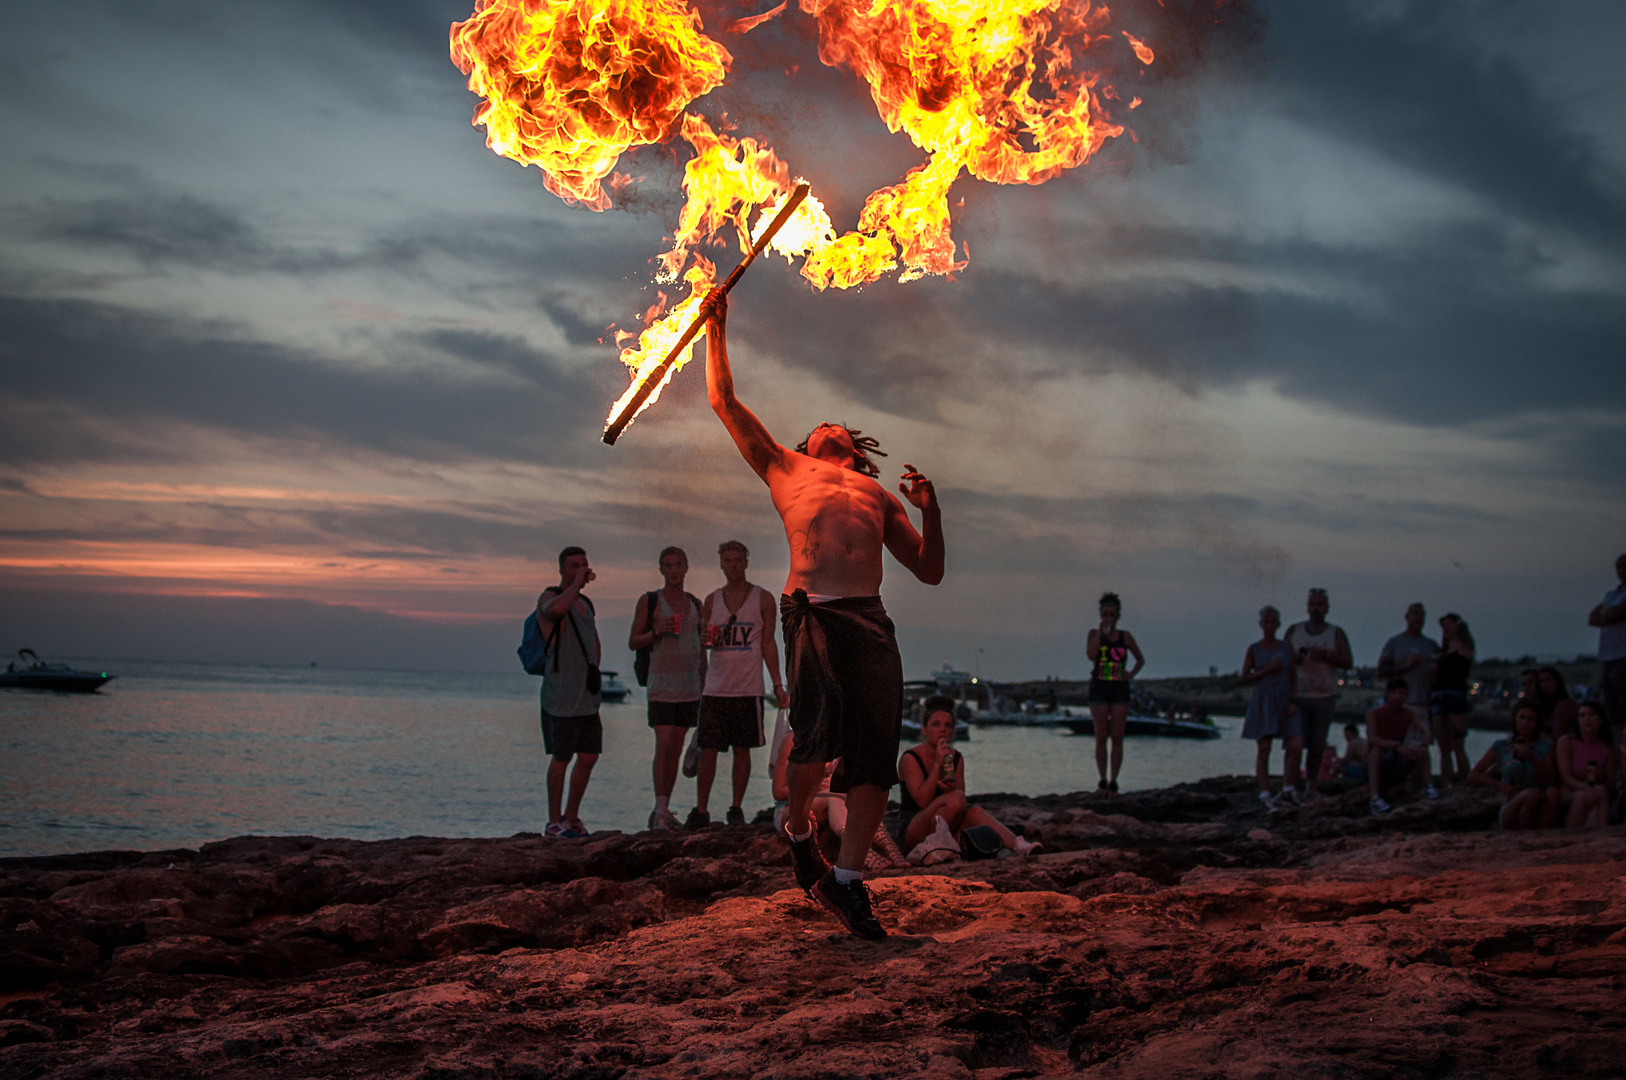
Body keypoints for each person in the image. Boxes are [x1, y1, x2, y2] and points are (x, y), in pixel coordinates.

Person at [704, 290, 944, 940]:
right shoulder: (786, 468)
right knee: (812, 741)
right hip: (810, 610)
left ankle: (846, 883)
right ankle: (799, 828)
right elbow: (725, 403)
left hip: (870, 620)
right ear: (807, 444)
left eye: (840, 425)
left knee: (874, 759)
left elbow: (928, 569)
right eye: (822, 424)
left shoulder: (874, 492)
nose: (832, 423)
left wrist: (930, 510)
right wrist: (716, 328)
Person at [696, 540, 788, 827]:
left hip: (748, 688)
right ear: (721, 564)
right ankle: (700, 810)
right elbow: (705, 643)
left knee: (742, 749)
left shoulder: (762, 599)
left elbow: (767, 643)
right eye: (728, 560)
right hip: (715, 687)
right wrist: (704, 641)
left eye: (738, 560)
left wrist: (777, 685)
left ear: (746, 562)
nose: (733, 565)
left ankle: (735, 807)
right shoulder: (712, 600)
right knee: (707, 749)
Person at [898, 697, 1039, 856]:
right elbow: (922, 801)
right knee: (955, 797)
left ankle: (1020, 846)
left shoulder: (955, 758)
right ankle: (933, 847)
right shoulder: (910, 758)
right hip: (914, 828)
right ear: (924, 729)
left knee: (975, 812)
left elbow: (959, 804)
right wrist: (938, 764)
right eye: (936, 725)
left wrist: (949, 790)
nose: (943, 730)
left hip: (944, 827)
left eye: (948, 725)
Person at [627, 546, 704, 830]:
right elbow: (634, 641)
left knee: (677, 747)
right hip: (661, 685)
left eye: (678, 565)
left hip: (689, 686)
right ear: (661, 570)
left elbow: (701, 647)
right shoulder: (650, 602)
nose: (673, 570)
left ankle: (665, 808)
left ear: (686, 568)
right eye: (668, 565)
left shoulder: (695, 603)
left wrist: (705, 682)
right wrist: (656, 631)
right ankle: (660, 808)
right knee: (665, 743)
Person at [535, 546, 603, 839]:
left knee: (589, 755)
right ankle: (554, 822)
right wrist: (575, 583)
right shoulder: (550, 597)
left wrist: (595, 670)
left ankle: (572, 816)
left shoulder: (586, 603)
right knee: (561, 756)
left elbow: (593, 641)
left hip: (586, 697)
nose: (581, 569)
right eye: (574, 565)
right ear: (562, 569)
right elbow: (556, 611)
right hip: (561, 695)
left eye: (584, 564)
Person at [1284, 588, 1354, 800]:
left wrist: (1325, 656)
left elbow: (1348, 662)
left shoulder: (1335, 633)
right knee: (1293, 745)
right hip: (1298, 695)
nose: (1315, 609)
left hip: (1324, 696)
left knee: (1316, 746)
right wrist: (1295, 659)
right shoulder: (1294, 631)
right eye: (1312, 604)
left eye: (1320, 605)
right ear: (1307, 606)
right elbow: (1282, 658)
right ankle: (1289, 786)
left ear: (1327, 608)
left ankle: (1311, 788)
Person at [1238, 606, 1299, 810]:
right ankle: (1264, 792)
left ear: (1278, 624)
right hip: (1263, 701)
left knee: (1295, 746)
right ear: (1261, 624)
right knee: (1264, 750)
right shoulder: (1254, 649)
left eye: (1274, 622)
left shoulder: (1285, 647)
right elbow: (1245, 677)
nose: (1270, 626)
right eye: (1267, 622)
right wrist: (1266, 671)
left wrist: (1293, 701)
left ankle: (1288, 788)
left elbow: (1293, 676)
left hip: (1284, 700)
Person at [1467, 698, 1559, 830]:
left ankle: (1541, 838)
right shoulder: (1502, 746)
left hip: (1540, 799)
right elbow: (1474, 775)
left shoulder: (1545, 746)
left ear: (1537, 722)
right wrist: (1499, 784)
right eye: (1521, 718)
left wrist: (1532, 759)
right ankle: (1524, 837)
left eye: (1530, 719)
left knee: (1551, 793)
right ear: (1515, 719)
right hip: (1512, 802)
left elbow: (1551, 780)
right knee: (1530, 795)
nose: (1525, 723)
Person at [1086, 592, 1145, 796]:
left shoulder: (1125, 637)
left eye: (1112, 614)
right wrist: (1101, 635)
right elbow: (1091, 655)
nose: (1108, 617)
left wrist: (1130, 674)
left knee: (1117, 735)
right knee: (1101, 735)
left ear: (1118, 615)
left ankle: (1114, 781)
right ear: (1100, 615)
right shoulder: (1094, 634)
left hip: (1119, 688)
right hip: (1099, 687)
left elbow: (1140, 659)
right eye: (1105, 614)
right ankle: (1102, 779)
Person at [1365, 676, 1435, 815]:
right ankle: (1375, 798)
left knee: (1421, 750)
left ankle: (1428, 787)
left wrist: (1422, 741)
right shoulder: (1375, 714)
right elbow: (1372, 738)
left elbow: (1424, 730)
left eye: (1402, 693)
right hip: (1377, 766)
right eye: (1395, 693)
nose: (1398, 697)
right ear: (1388, 694)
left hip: (1397, 765)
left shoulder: (1408, 713)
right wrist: (1393, 745)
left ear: (1406, 694)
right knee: (1377, 750)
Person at [1556, 700, 1616, 830]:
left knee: (1600, 790)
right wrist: (1585, 788)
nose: (1587, 719)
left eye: (1591, 714)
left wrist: (1601, 779)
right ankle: (1572, 836)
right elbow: (1565, 778)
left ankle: (1601, 835)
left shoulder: (1606, 748)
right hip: (1570, 794)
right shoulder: (1567, 742)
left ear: (1600, 720)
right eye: (1582, 715)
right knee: (1582, 796)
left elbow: (1611, 785)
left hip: (1596, 792)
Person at [1430, 612, 1475, 785]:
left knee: (1457, 745)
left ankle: (1465, 783)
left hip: (1455, 696)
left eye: (1449, 624)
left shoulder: (1464, 647)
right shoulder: (1443, 650)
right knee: (1443, 748)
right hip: (1439, 695)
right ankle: (1446, 784)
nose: (1446, 628)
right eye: (1444, 625)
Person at [1378, 602, 1439, 719]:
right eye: (1415, 615)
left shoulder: (1431, 646)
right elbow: (1381, 671)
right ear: (1407, 617)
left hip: (1424, 704)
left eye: (1421, 615)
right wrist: (1404, 667)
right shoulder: (1394, 643)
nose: (1418, 619)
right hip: (1398, 705)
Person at [1588, 553, 1626, 736]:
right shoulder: (1612, 594)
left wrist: (1608, 615)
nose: (1621, 571)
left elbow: (1618, 613)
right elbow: (1593, 617)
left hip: (1623, 656)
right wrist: (1608, 616)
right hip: (1607, 657)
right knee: (1613, 711)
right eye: (1618, 567)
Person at [1534, 666, 1579, 740]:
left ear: (1556, 681)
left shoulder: (1564, 705)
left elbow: (1557, 737)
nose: (1544, 685)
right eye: (1541, 682)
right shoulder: (1546, 705)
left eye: (1547, 680)